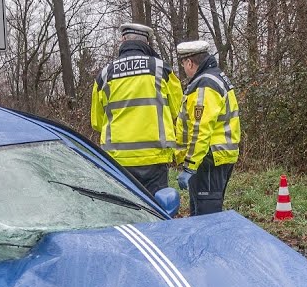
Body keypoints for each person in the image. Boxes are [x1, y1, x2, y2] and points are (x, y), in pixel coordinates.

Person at [90, 23, 183, 195]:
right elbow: (177, 109)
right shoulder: (161, 69)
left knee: (126, 210)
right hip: (155, 156)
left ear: (123, 40)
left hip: (118, 159)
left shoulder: (105, 74)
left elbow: (96, 121)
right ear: (147, 43)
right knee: (157, 209)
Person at [175, 40, 241, 216]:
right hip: (217, 156)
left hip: (208, 159)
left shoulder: (204, 84)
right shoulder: (216, 77)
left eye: (183, 64)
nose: (184, 69)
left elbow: (200, 129)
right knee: (202, 213)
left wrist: (189, 165)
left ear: (189, 62)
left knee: (207, 217)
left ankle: (210, 244)